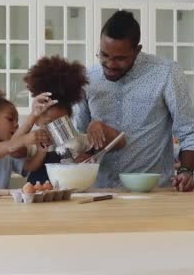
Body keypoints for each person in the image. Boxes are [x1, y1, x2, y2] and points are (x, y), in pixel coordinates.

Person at [73, 10, 194, 192]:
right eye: (104, 55)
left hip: (153, 194)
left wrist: (185, 171)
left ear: (137, 50)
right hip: (101, 193)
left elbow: (190, 131)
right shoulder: (88, 78)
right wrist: (86, 140)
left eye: (120, 58)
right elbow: (77, 137)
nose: (110, 64)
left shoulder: (165, 73)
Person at [21, 55, 125, 184]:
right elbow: (16, 152)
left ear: (69, 120)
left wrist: (88, 160)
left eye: (61, 123)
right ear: (36, 121)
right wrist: (41, 151)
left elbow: (119, 141)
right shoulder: (31, 141)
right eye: (48, 123)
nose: (55, 129)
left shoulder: (77, 140)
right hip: (39, 194)